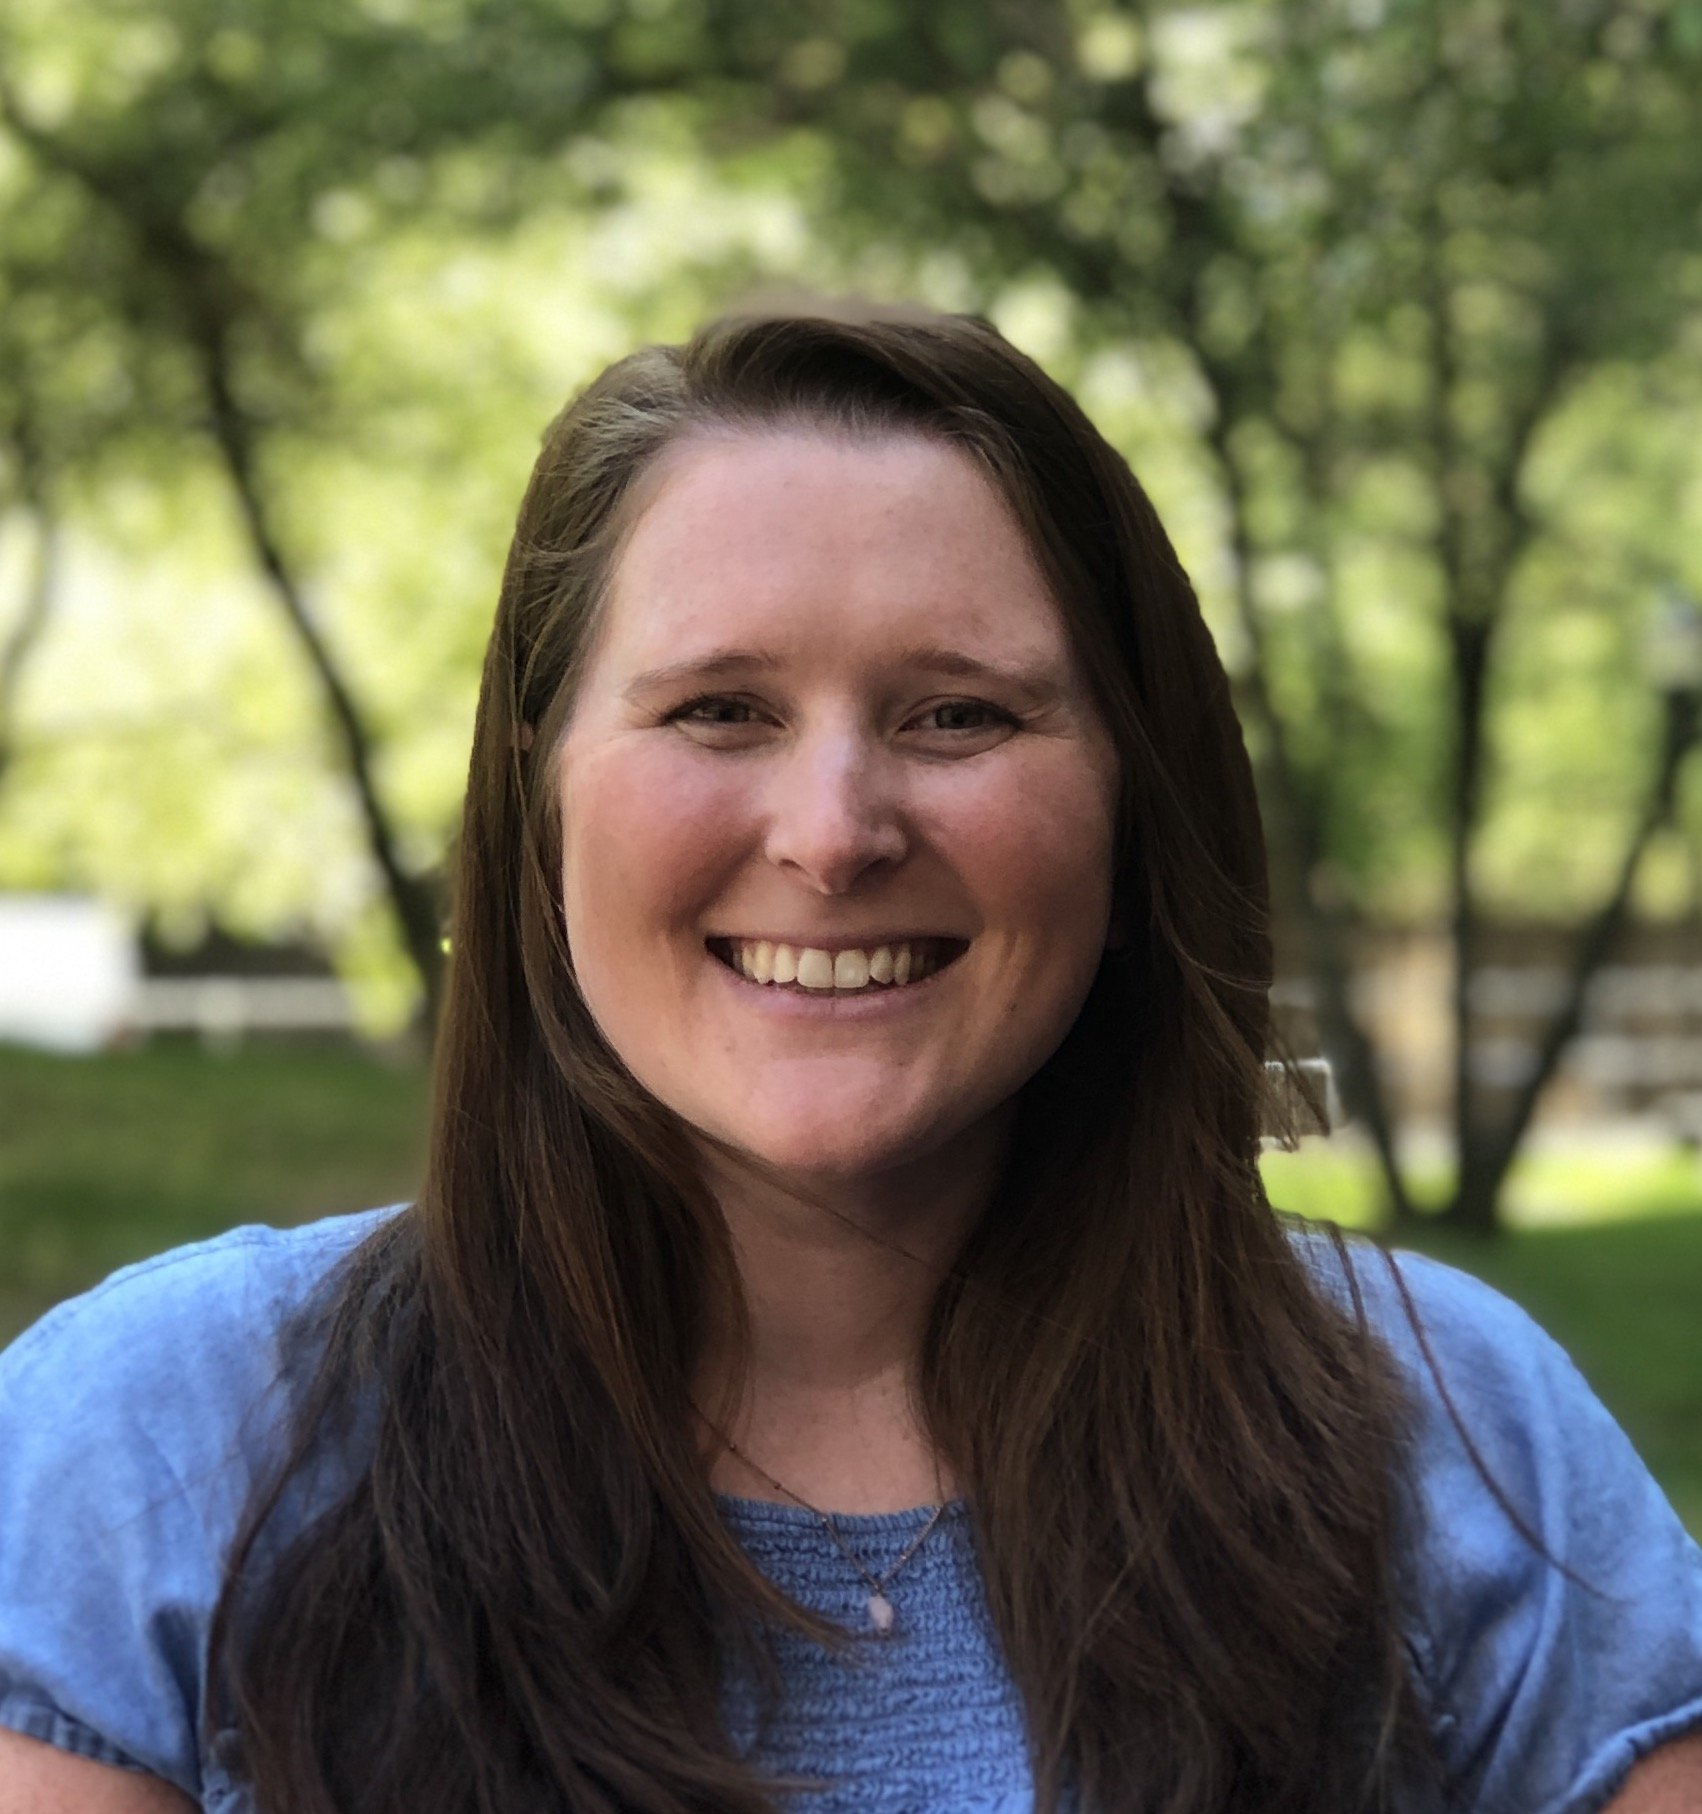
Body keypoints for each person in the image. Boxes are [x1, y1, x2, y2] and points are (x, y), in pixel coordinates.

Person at [2, 299, 1700, 1814]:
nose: (832, 833)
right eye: (717, 709)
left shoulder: (1457, 1442)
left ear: (1127, 803)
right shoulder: (158, 1453)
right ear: (539, 807)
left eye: (956, 711)